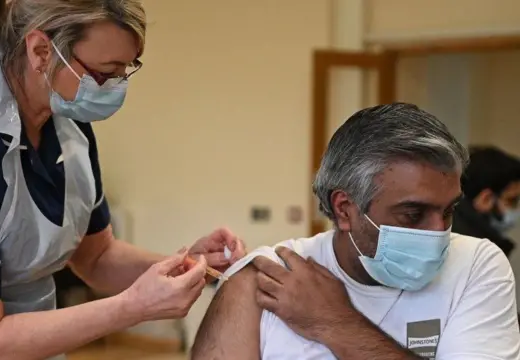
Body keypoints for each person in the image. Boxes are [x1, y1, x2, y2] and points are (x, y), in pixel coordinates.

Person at [0, 1, 246, 359]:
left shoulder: (68, 124)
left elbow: (97, 257)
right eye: (104, 74)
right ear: (41, 51)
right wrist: (133, 307)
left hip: (27, 341)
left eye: (124, 71)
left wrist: (190, 264)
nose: (114, 88)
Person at [192, 103, 520, 360]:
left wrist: (336, 323)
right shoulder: (264, 279)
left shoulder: (477, 265)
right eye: (413, 214)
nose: (439, 231)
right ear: (345, 209)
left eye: (449, 210)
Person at [453, 146, 520, 256]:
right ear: (486, 198)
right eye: (511, 200)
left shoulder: (452, 229)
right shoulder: (478, 251)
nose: (516, 209)